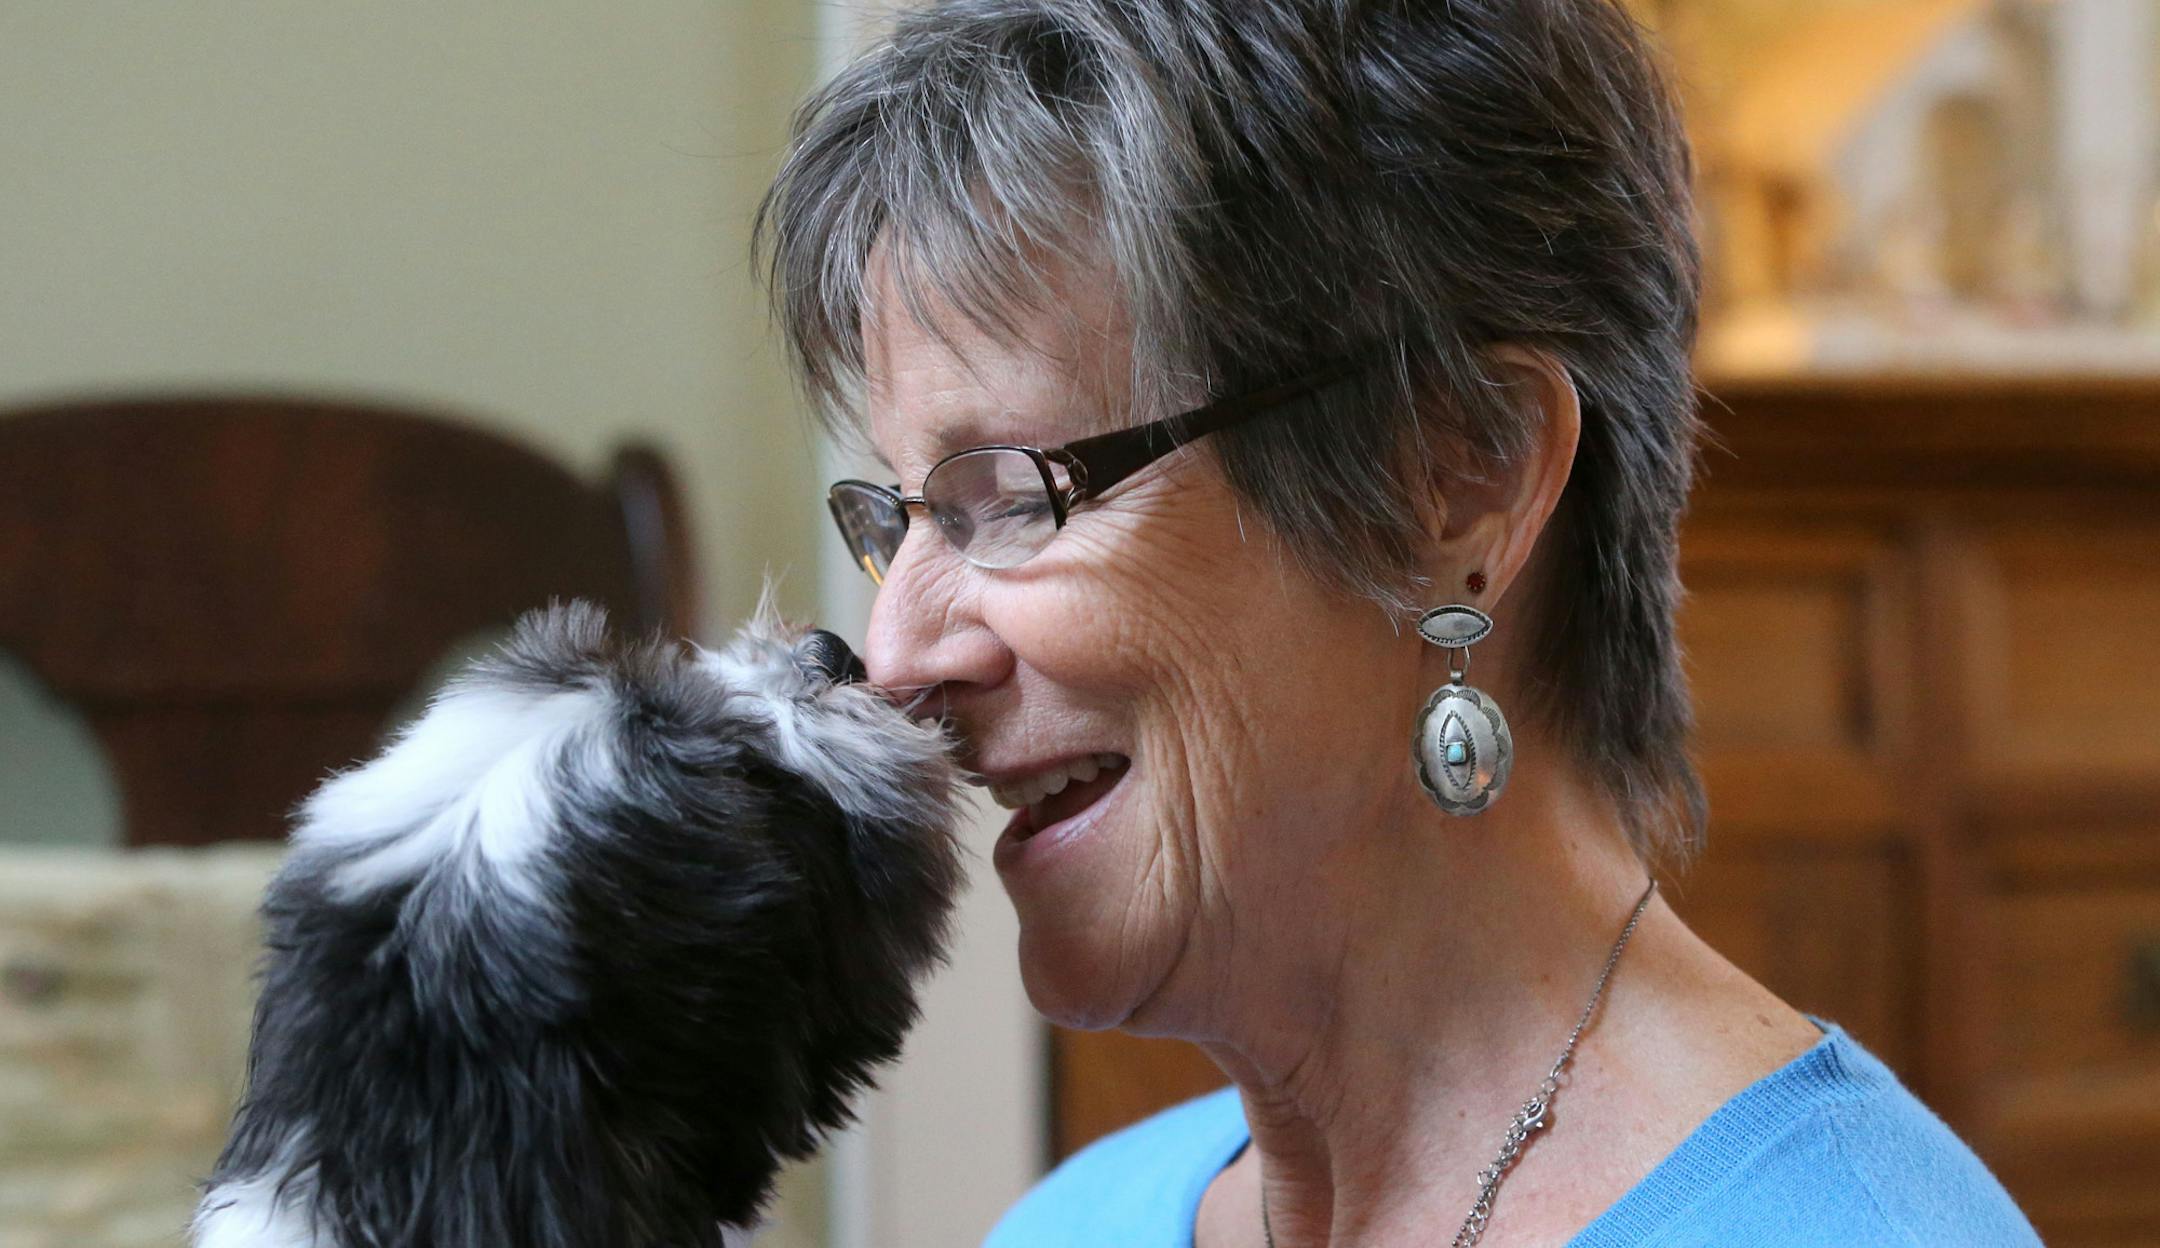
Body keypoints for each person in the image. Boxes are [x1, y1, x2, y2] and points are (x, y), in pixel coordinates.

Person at [755, 1, 2042, 1243]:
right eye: (904, 512)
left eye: (1012, 494)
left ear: (1459, 479)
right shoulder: (1067, 1226)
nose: (899, 661)